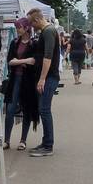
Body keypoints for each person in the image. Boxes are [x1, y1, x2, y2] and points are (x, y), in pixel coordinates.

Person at [26, 8, 61, 157]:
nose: (31, 27)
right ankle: (46, 142)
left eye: (30, 23)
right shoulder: (49, 31)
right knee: (44, 109)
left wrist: (42, 78)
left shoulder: (47, 32)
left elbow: (48, 57)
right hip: (49, 76)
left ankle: (48, 145)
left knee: (44, 109)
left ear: (37, 20)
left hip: (49, 76)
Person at [4, 18, 39, 150]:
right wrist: (23, 62)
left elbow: (34, 62)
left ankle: (23, 140)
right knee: (10, 109)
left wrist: (17, 61)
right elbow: (10, 61)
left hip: (28, 81)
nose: (17, 29)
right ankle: (7, 140)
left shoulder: (34, 43)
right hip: (15, 79)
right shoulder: (14, 42)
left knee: (27, 110)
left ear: (26, 28)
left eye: (19, 27)